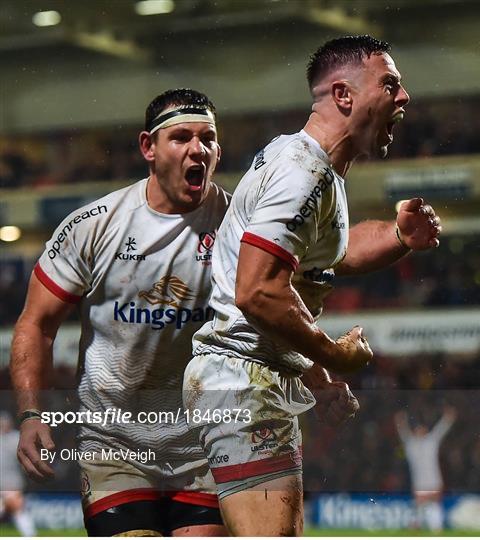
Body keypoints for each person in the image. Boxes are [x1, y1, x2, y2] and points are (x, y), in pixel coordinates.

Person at [182, 35, 442, 536]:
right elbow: (257, 290)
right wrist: (333, 355)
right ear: (344, 95)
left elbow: (327, 260)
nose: (404, 97)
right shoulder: (302, 173)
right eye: (391, 83)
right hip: (242, 383)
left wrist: (396, 236)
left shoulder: (318, 173)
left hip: (244, 380)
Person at [10, 88, 232, 537]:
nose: (197, 149)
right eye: (182, 137)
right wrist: (32, 414)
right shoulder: (93, 226)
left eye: (207, 138)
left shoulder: (236, 223)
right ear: (148, 147)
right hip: (114, 442)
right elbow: (37, 324)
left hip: (206, 443)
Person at [395, 406, 457, 531]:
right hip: (420, 483)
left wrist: (448, 418)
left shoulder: (431, 442)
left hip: (434, 481)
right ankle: (416, 526)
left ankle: (435, 529)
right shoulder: (411, 445)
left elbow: (441, 430)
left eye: (423, 429)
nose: (421, 431)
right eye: (418, 429)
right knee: (420, 507)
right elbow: (403, 432)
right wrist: (400, 421)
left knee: (433, 506)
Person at [0, 411, 37, 537]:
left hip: (11, 481)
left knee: (17, 508)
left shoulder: (16, 438)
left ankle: (30, 535)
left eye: (4, 423)